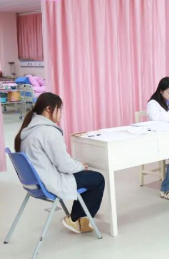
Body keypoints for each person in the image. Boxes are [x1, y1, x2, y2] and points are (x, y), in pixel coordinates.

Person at [15, 93, 105, 234]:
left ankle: (80, 219)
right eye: (60, 109)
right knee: (97, 179)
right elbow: (64, 165)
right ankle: (75, 219)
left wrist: (76, 165)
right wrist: (80, 165)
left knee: (85, 175)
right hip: (49, 182)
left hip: (34, 183)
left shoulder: (29, 129)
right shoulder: (48, 131)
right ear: (48, 109)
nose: (61, 114)